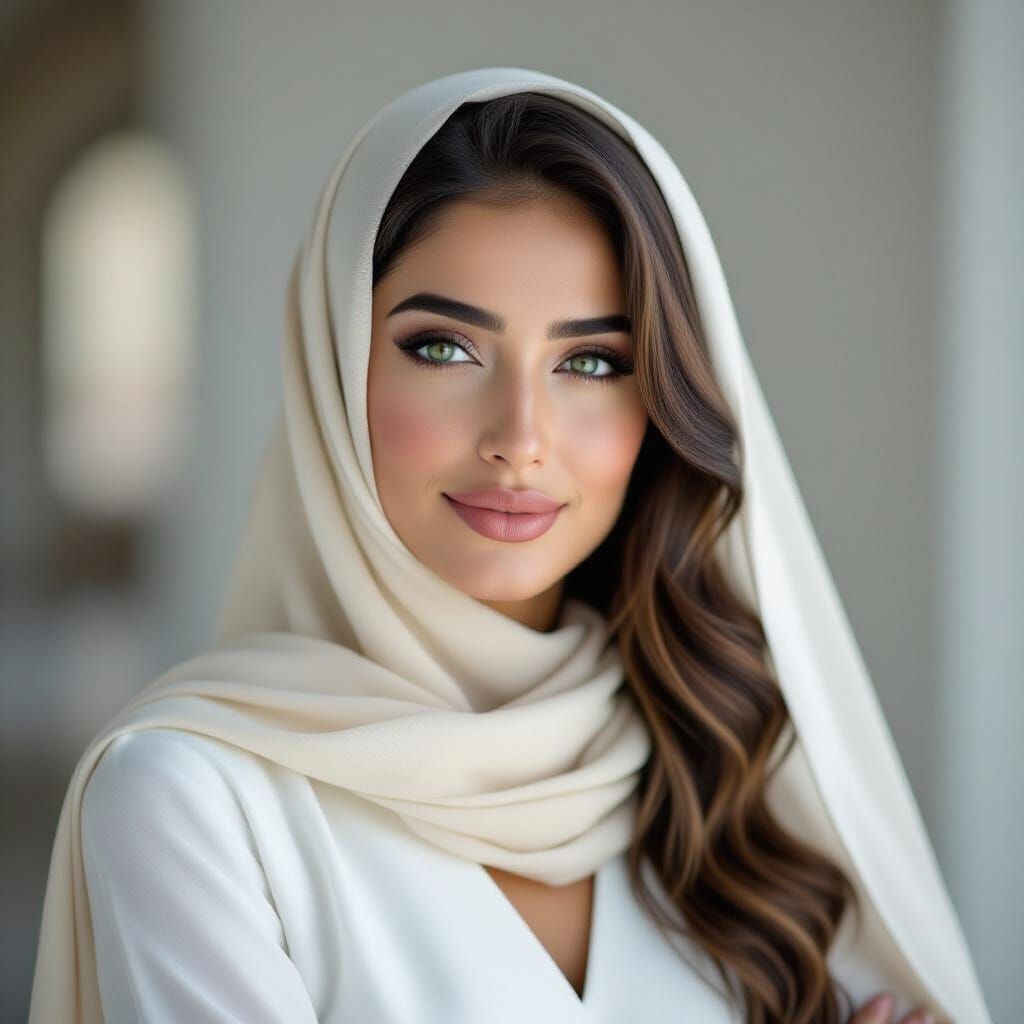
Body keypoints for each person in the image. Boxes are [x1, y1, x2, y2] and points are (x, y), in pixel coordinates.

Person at [27, 67, 992, 1024]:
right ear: (334, 369)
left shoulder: (725, 766)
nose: (521, 434)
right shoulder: (192, 801)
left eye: (592, 362)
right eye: (444, 347)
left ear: (658, 406)